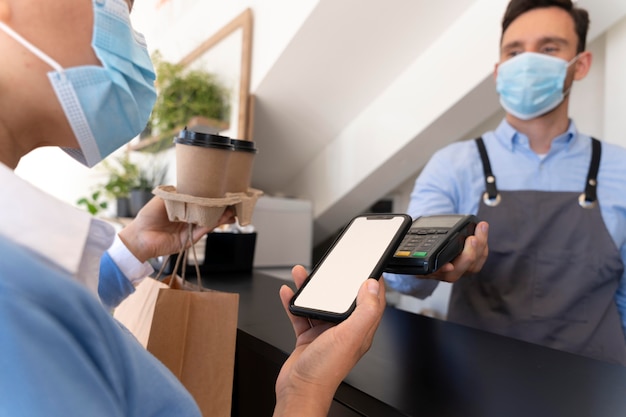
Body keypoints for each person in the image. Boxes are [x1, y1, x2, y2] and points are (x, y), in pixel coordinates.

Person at [0, 0, 386, 416]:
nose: (129, 28)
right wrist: (304, 391)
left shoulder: (24, 291)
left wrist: (131, 251)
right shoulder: (13, 304)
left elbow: (68, 324)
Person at [385, 0, 626, 366]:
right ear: (499, 72)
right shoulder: (453, 165)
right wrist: (433, 262)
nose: (527, 63)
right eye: (515, 51)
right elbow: (405, 281)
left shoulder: (619, 168)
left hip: (595, 384)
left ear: (581, 65)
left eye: (548, 48)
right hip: (476, 384)